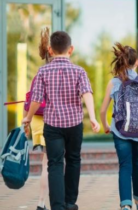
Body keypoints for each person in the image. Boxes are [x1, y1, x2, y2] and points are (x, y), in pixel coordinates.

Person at [22, 31, 100, 210]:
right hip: (74, 125)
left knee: (55, 164)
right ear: (70, 49)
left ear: (50, 50)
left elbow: (36, 99)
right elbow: (87, 93)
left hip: (53, 126)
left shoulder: (43, 71)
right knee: (73, 160)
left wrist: (28, 117)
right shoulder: (79, 71)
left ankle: (57, 206)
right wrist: (93, 118)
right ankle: (70, 202)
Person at [100, 43, 138, 210]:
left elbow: (103, 110)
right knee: (137, 163)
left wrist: (105, 125)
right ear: (137, 62)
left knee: (125, 165)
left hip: (120, 129)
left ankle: (125, 204)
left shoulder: (114, 82)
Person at [23, 27, 50, 210]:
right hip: (55, 121)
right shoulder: (60, 72)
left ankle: (41, 202)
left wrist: (26, 121)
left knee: (45, 164)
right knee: (54, 164)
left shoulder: (38, 74)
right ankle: (51, 201)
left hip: (38, 122)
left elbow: (31, 100)